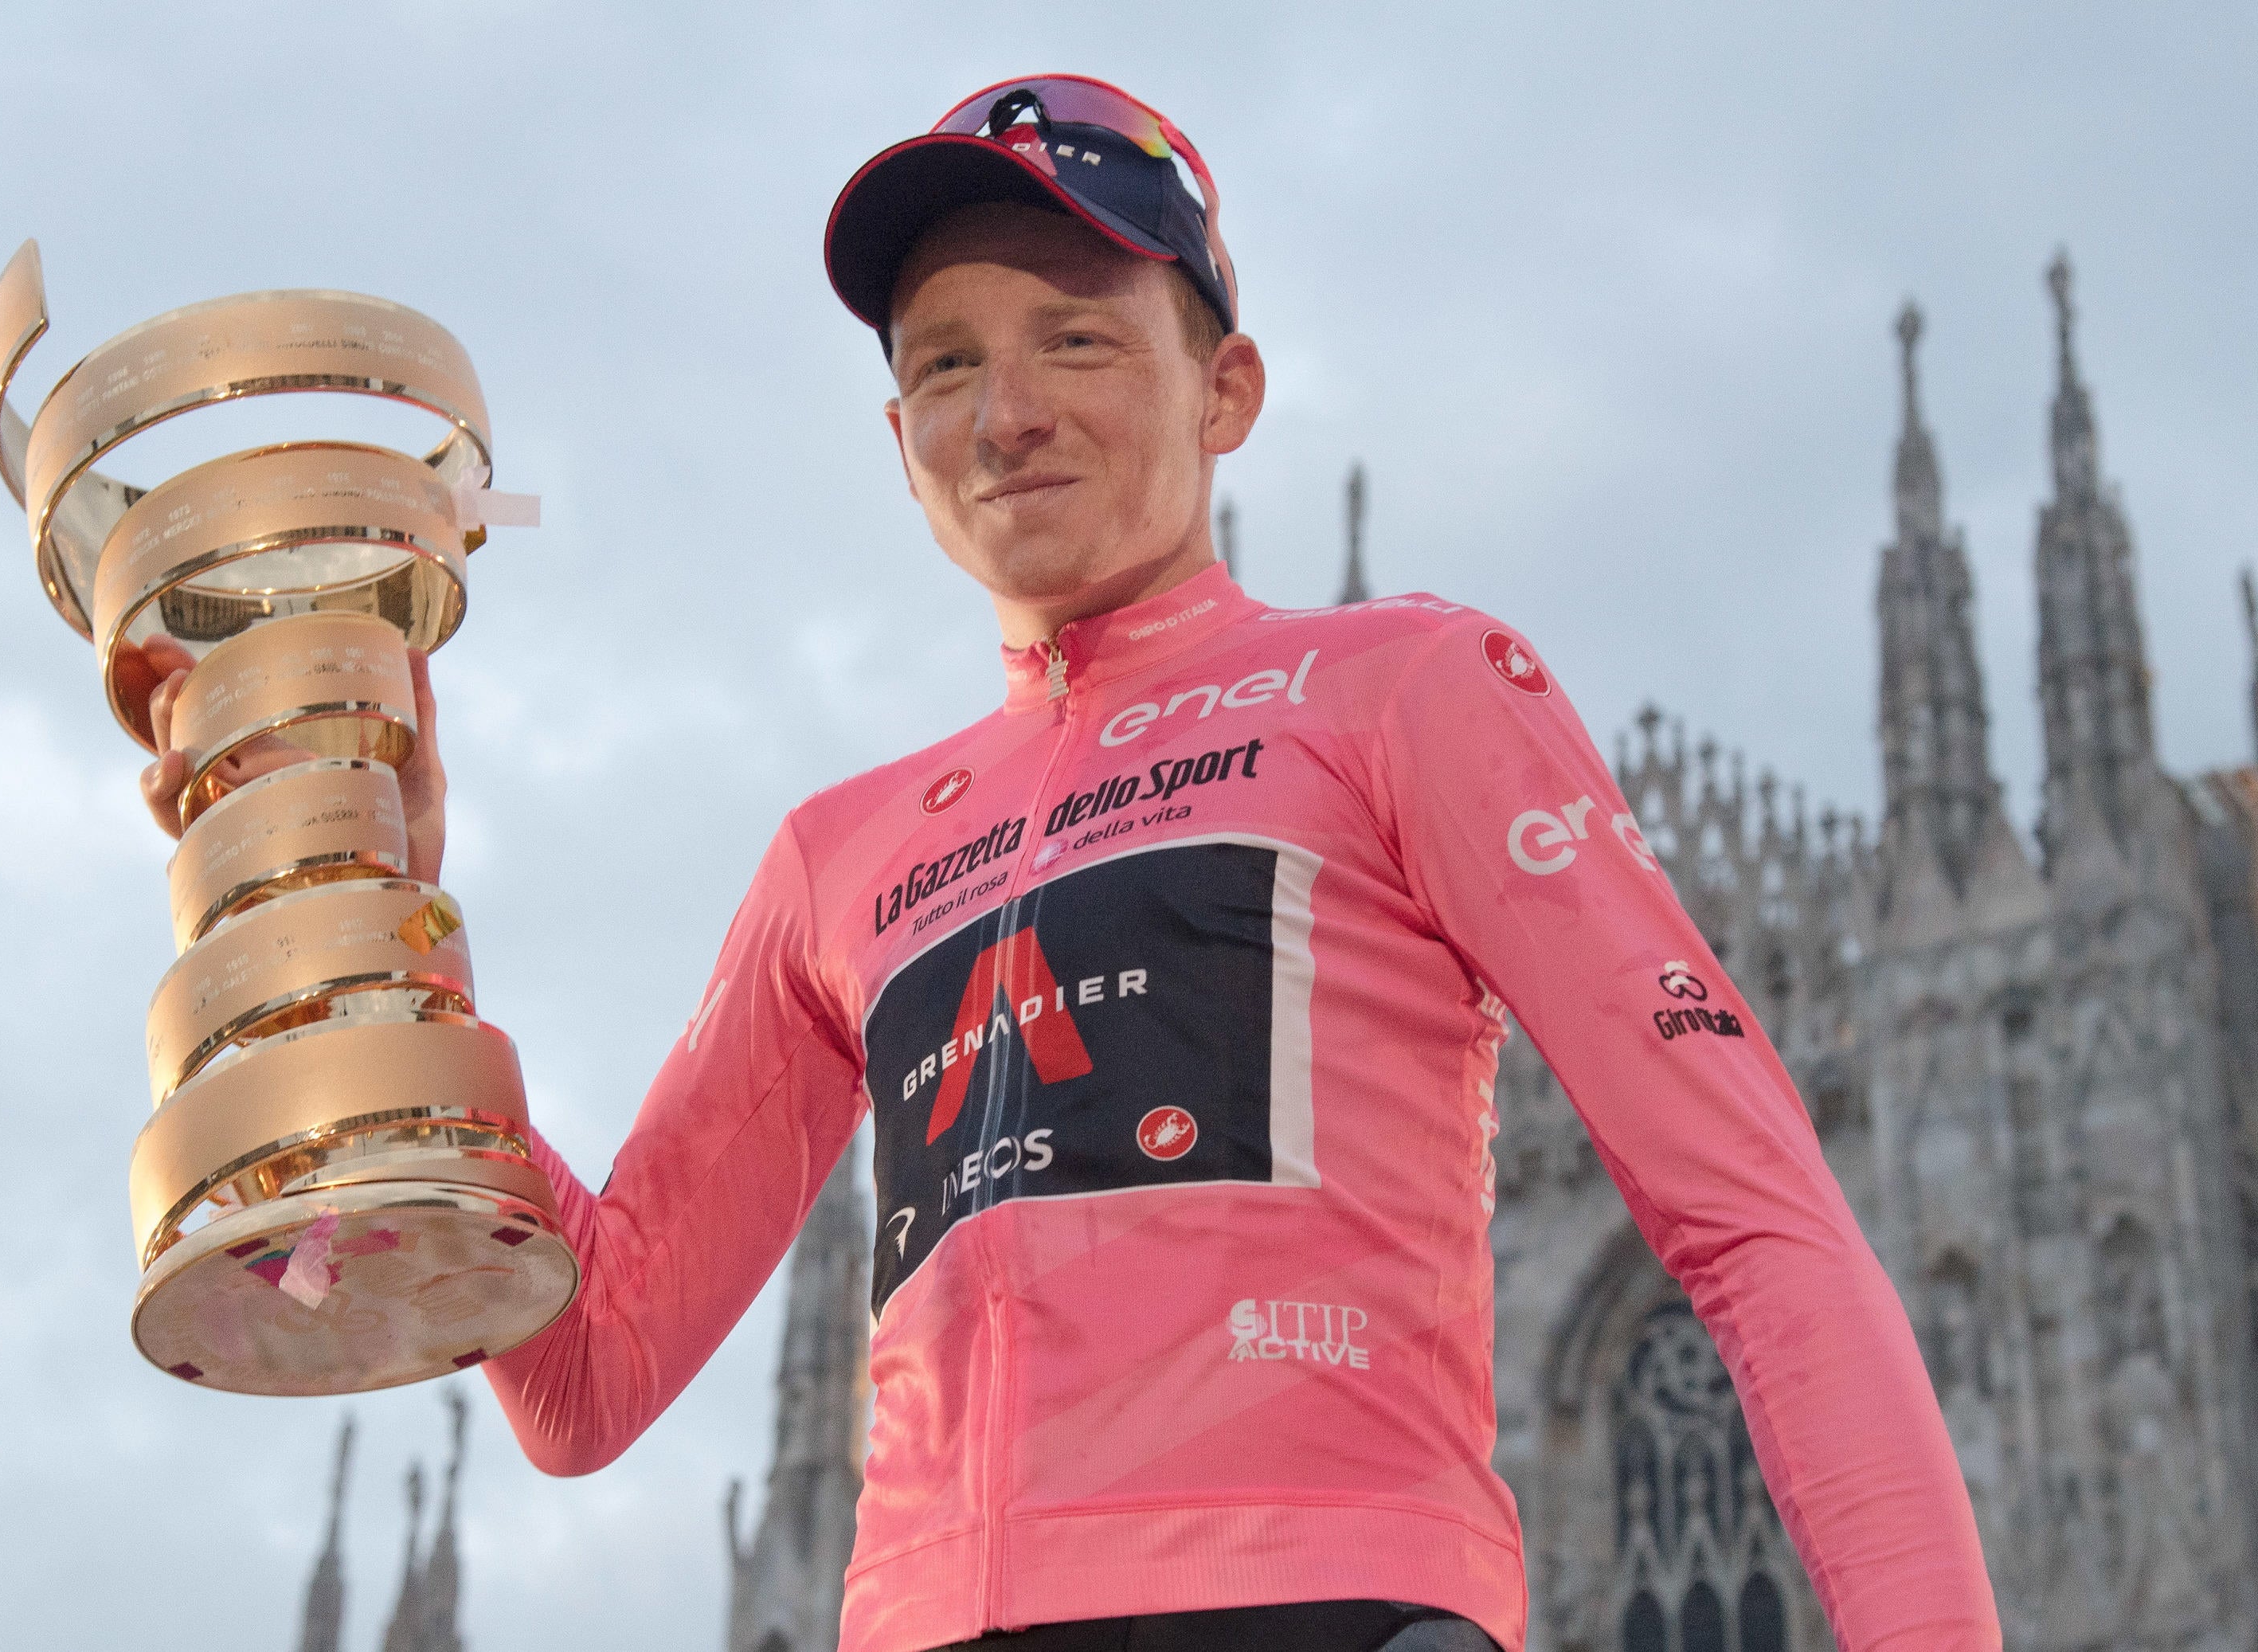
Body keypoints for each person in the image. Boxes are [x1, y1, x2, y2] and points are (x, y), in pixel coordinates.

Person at [139, 74, 1998, 1652]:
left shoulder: (1404, 691)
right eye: (947, 361)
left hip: (1328, 1606)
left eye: (1080, 335)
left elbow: (1760, 1221)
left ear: (1228, 386)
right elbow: (584, 1380)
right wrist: (371, 946)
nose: (1005, 410)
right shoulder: (838, 855)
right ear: (900, 439)